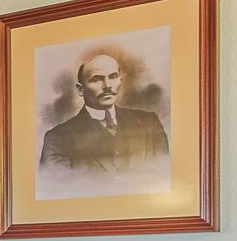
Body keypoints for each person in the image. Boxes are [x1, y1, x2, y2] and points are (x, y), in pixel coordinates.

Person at [38, 50, 168, 194]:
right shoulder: (58, 138)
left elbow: (162, 178)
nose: (107, 86)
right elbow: (57, 191)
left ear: (120, 81)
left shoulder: (149, 123)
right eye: (96, 79)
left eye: (113, 77)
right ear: (80, 90)